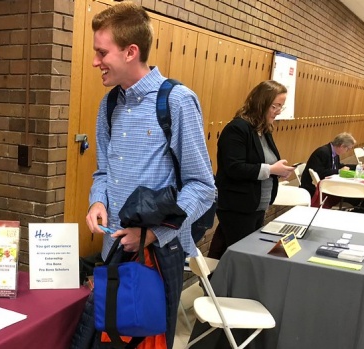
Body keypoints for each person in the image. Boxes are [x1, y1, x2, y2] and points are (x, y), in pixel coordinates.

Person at [84, 3, 216, 348]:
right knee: (108, 339)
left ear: (131, 52)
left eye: (101, 52)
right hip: (114, 249)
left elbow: (203, 187)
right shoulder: (108, 104)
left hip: (158, 256)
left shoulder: (177, 101)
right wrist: (98, 200)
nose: (95, 61)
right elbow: (103, 171)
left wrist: (152, 233)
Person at [208, 80, 295, 260]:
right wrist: (271, 169)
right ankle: (224, 286)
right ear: (261, 103)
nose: (278, 112)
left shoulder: (263, 129)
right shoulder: (237, 129)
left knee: (226, 249)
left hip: (257, 205)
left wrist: (279, 170)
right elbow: (234, 168)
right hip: (238, 206)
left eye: (281, 107)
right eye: (275, 106)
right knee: (242, 255)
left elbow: (264, 164)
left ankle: (214, 284)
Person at [300, 132, 357, 196]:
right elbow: (320, 173)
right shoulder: (323, 152)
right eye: (348, 149)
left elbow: (338, 166)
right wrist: (339, 171)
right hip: (314, 188)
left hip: (326, 185)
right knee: (355, 196)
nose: (347, 151)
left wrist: (357, 167)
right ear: (342, 146)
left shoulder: (334, 152)